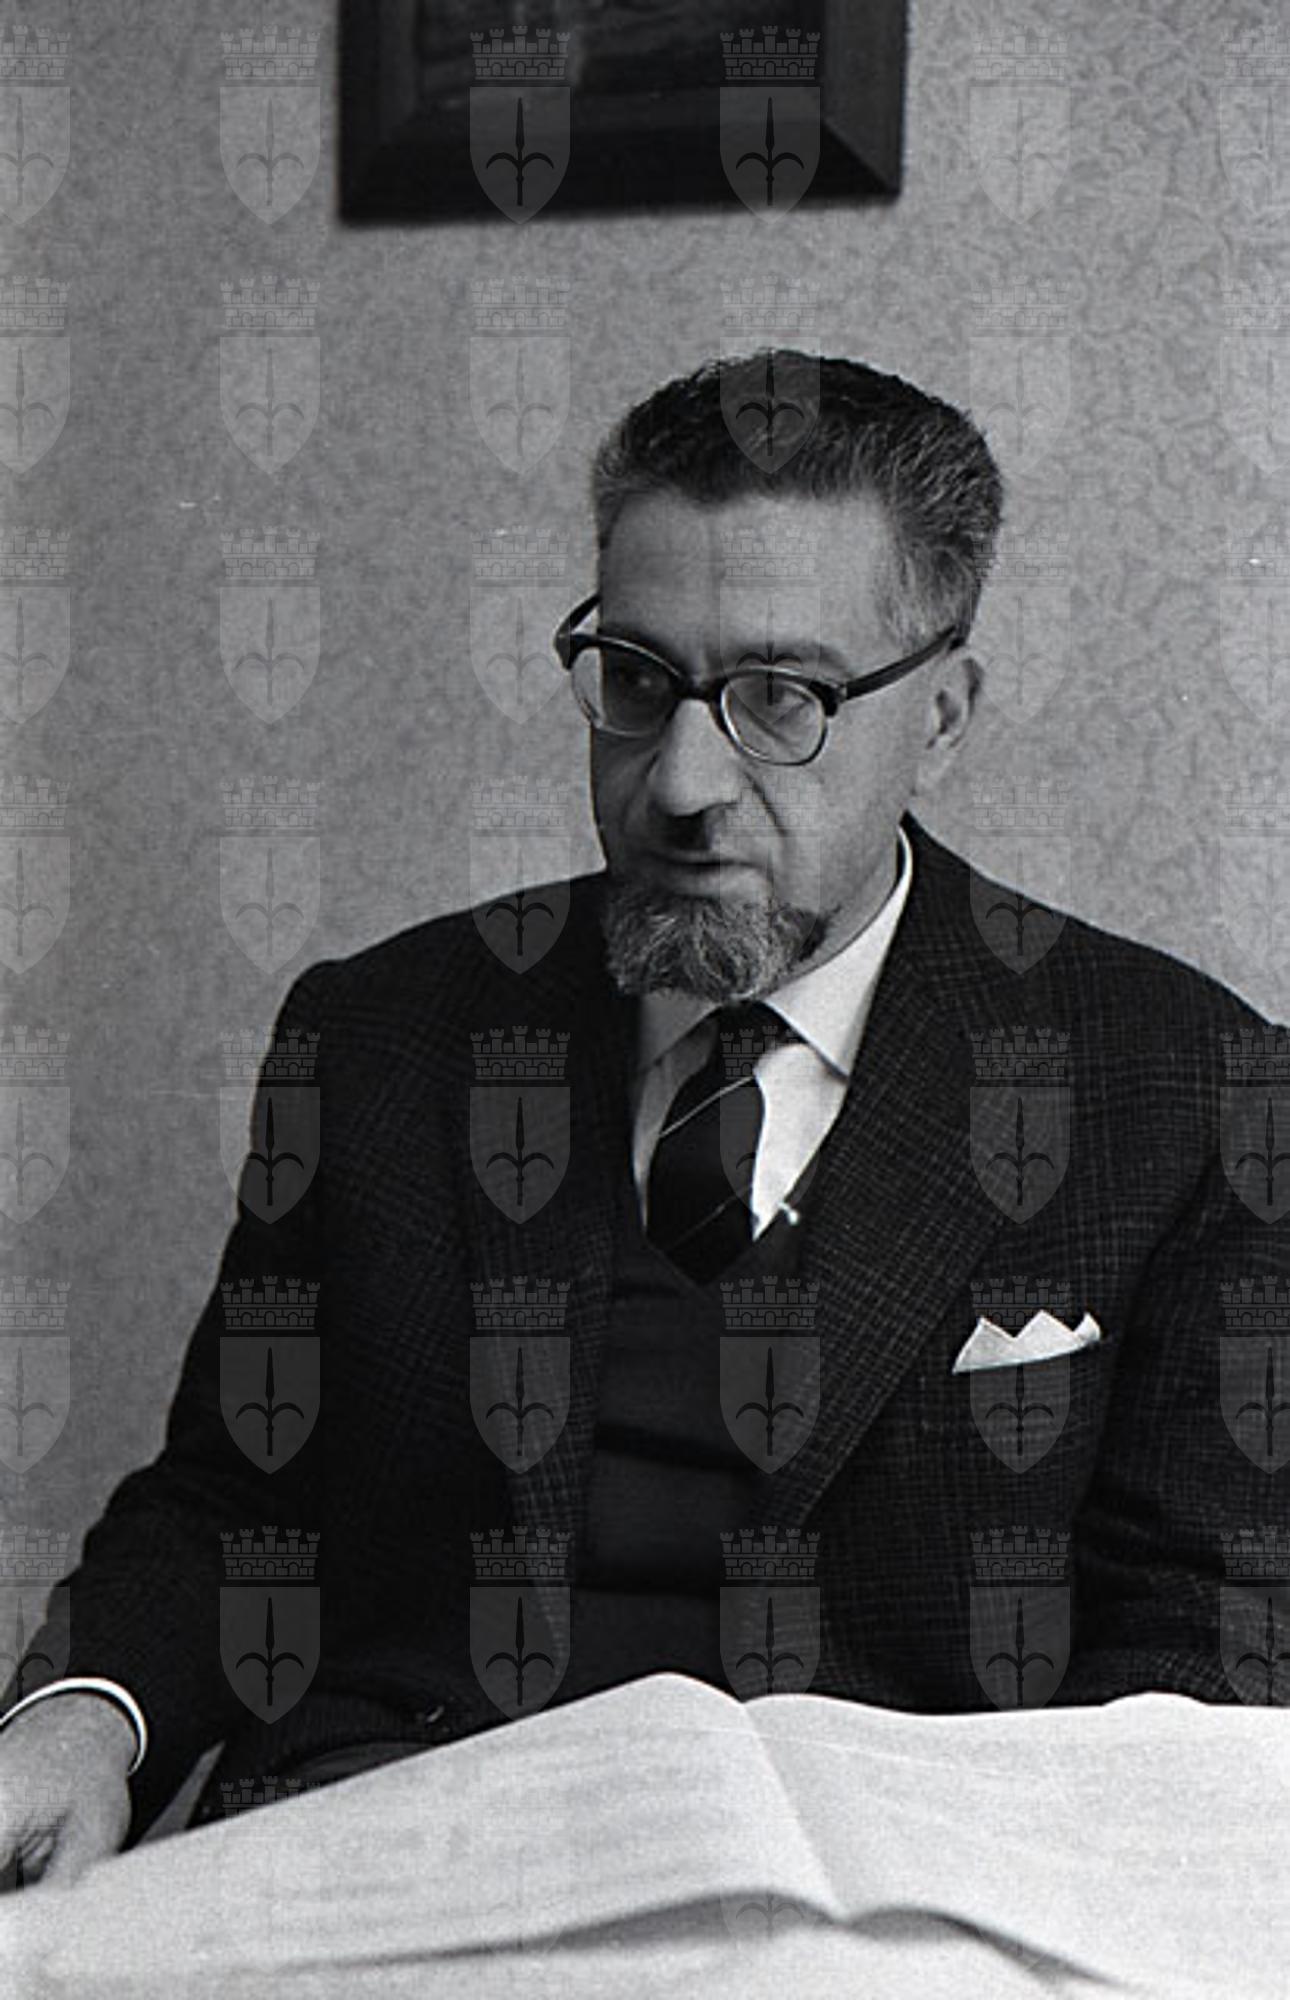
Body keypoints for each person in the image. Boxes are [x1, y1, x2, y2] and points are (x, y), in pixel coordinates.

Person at [2, 352, 1287, 1887]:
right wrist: (77, 1723)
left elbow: (1196, 1643)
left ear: (940, 715)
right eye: (634, 678)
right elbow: (237, 1503)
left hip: (871, 1897)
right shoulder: (382, 1030)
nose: (680, 783)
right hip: (388, 1843)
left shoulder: (1183, 1085)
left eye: (780, 698)